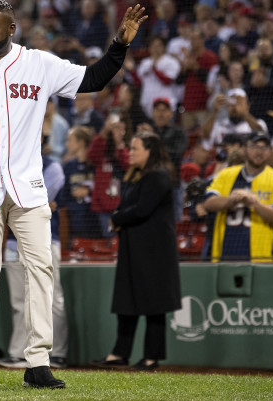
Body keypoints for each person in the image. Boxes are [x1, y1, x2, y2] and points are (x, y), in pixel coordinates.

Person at [0, 0, 147, 389]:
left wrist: (119, 45)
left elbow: (92, 79)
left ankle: (38, 362)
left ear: (11, 29)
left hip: (28, 187)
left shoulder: (39, 63)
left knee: (41, 270)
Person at [91, 132, 180, 371]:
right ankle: (120, 353)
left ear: (149, 151)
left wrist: (117, 218)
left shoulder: (158, 176)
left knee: (154, 306)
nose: (130, 153)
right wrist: (118, 216)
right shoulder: (138, 177)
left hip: (155, 254)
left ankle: (152, 358)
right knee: (127, 303)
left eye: (135, 149)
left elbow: (141, 210)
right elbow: (125, 207)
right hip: (134, 250)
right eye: (130, 148)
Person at [0, 147, 67, 370]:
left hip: (46, 238)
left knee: (51, 296)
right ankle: (19, 353)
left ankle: (57, 353)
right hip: (11, 242)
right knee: (19, 301)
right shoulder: (5, 163)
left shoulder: (52, 166)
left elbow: (36, 198)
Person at [203, 132, 273, 262]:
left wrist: (253, 202)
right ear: (244, 149)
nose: (259, 152)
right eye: (254, 146)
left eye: (264, 148)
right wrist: (230, 200)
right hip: (226, 253)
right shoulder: (226, 175)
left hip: (262, 256)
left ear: (270, 151)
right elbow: (208, 203)